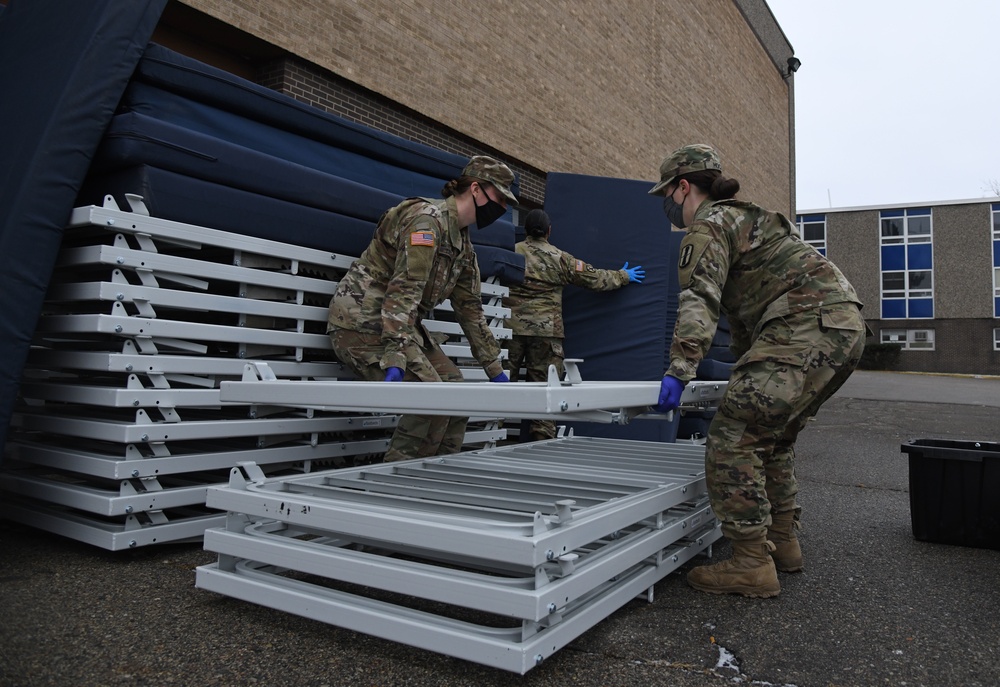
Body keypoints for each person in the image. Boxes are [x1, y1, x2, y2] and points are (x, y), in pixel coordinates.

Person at [649, 144, 867, 598]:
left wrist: (680, 366)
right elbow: (748, 323)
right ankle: (784, 544)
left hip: (806, 324)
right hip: (842, 325)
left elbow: (700, 297)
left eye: (666, 194)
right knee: (773, 434)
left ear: (683, 187)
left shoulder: (709, 223)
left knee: (734, 436)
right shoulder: (747, 220)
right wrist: (743, 377)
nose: (667, 204)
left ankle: (750, 563)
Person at [327, 155, 516, 463]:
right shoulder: (427, 221)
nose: (503, 209)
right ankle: (397, 485)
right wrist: (395, 355)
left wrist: (495, 370)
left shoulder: (463, 247)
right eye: (499, 197)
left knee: (457, 394)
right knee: (431, 400)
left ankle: (437, 478)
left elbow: (470, 309)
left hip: (397, 325)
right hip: (361, 322)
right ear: (477, 190)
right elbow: (405, 290)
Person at [504, 208, 645, 441]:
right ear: (549, 231)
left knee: (501, 389)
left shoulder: (511, 252)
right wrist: (623, 276)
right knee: (546, 395)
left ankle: (491, 439)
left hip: (509, 331)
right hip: (547, 335)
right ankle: (543, 450)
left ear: (526, 230)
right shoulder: (561, 259)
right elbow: (596, 279)